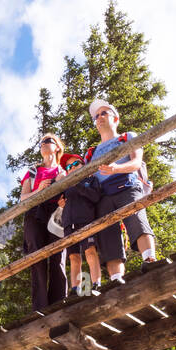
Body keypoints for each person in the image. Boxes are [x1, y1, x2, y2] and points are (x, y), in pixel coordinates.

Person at [86, 98, 156, 285]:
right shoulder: (91, 153)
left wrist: (116, 168)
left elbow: (135, 162)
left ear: (115, 118)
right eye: (96, 116)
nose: (99, 117)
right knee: (108, 235)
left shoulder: (127, 137)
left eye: (104, 113)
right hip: (103, 195)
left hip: (127, 184)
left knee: (136, 219)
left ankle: (150, 259)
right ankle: (116, 279)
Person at [19, 133, 68, 312]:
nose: (44, 144)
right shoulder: (33, 172)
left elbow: (70, 194)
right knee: (36, 257)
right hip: (35, 213)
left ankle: (59, 304)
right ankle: (39, 309)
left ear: (57, 148)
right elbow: (22, 199)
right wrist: (38, 190)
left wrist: (65, 201)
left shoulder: (63, 171)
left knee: (58, 256)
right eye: (41, 142)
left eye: (48, 141)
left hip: (56, 213)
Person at [58, 151, 104, 299]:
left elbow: (95, 197)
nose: (71, 167)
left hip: (85, 220)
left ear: (83, 164)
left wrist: (78, 185)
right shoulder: (65, 186)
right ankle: (76, 289)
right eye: (68, 166)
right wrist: (61, 204)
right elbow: (62, 202)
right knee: (73, 257)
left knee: (90, 251)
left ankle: (96, 283)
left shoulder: (91, 180)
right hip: (68, 223)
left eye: (75, 164)